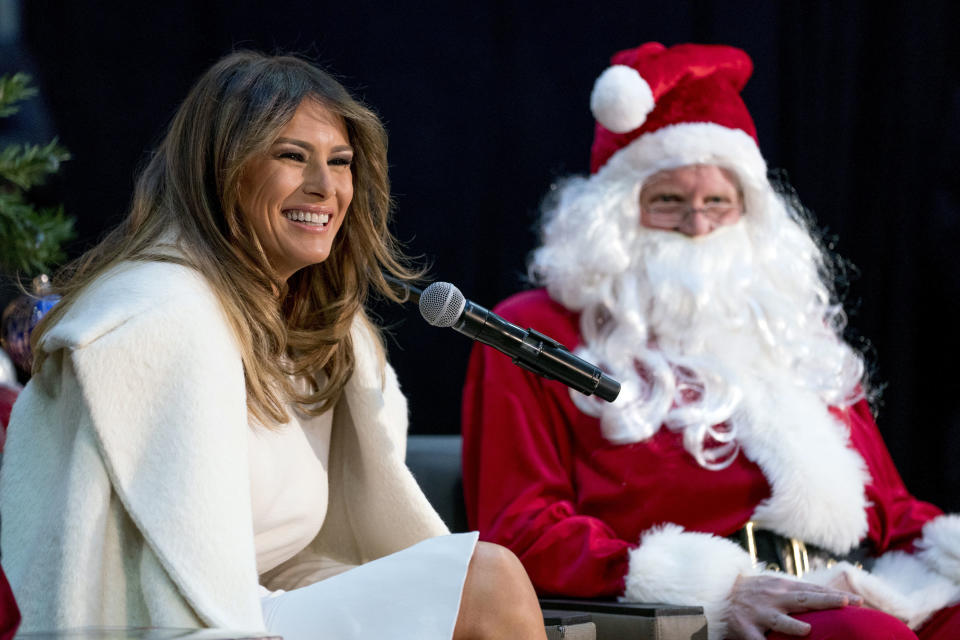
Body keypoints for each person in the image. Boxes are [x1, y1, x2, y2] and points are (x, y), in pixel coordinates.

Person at [0, 51, 547, 640]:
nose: (325, 187)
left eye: (340, 162)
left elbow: (286, 555)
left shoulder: (318, 328)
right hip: (178, 624)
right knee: (488, 583)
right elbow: (136, 585)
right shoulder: (162, 315)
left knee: (471, 580)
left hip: (262, 603)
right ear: (222, 169)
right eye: (292, 156)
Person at [461, 42, 960, 640]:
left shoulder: (792, 329)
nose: (697, 226)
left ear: (748, 212)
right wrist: (711, 587)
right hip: (700, 610)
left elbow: (893, 511)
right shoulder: (533, 332)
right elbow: (523, 527)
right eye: (669, 201)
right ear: (614, 215)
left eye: (717, 202)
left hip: (860, 583)